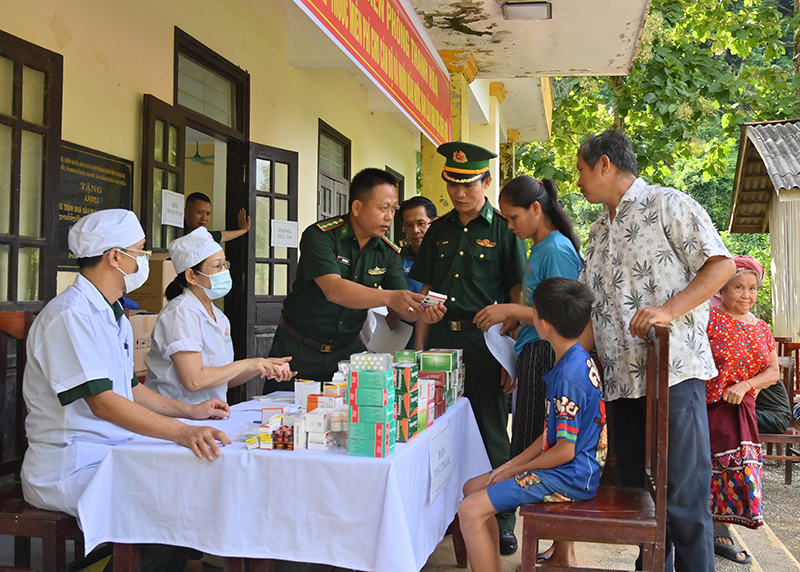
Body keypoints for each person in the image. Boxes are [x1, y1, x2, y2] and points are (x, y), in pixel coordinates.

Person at [21, 209, 232, 572]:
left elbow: (130, 390)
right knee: (172, 503)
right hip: (71, 463)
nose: (145, 260)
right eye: (139, 251)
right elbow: (103, 404)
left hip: (111, 451)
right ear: (114, 257)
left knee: (192, 485)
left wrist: (191, 412)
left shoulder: (112, 313)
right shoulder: (71, 316)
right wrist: (183, 433)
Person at [576, 130, 735, 572]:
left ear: (605, 164)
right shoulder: (597, 229)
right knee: (640, 503)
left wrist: (668, 309)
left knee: (683, 499)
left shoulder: (668, 204)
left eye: (582, 170)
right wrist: (570, 362)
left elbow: (721, 265)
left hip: (673, 377)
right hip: (620, 383)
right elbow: (595, 309)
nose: (578, 181)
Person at [410, 142, 527, 554]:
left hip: (485, 345)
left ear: (486, 182)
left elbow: (517, 293)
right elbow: (425, 291)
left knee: (492, 432)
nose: (459, 193)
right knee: (437, 431)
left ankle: (504, 519)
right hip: (442, 342)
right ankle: (447, 515)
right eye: (453, 184)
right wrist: (420, 350)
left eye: (468, 184)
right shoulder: (438, 230)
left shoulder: (503, 230)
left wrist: (508, 355)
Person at [458, 277, 605, 571]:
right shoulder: (574, 358)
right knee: (472, 488)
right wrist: (511, 465)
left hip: (570, 478)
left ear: (544, 324)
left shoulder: (568, 376)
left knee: (469, 510)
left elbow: (564, 451)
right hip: (569, 470)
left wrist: (520, 468)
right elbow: (551, 436)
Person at [266, 168, 445, 386]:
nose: (390, 217)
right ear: (357, 207)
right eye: (382, 209)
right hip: (296, 351)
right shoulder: (320, 237)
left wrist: (420, 312)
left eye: (393, 209)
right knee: (282, 416)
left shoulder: (389, 253)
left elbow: (401, 307)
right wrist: (389, 297)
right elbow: (334, 289)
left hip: (347, 355)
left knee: (353, 417)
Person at [474, 176, 583, 461]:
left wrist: (510, 310)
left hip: (546, 353)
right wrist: (516, 319)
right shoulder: (540, 247)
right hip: (531, 349)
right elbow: (538, 305)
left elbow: (562, 315)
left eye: (513, 217)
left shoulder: (557, 249)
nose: (510, 226)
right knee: (523, 437)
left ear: (536, 208)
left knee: (532, 441)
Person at [145, 227, 295, 404]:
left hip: (208, 415)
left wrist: (262, 366)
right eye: (217, 266)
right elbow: (195, 380)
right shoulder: (180, 313)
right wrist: (249, 364)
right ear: (191, 276)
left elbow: (226, 379)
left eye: (225, 264)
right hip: (176, 417)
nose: (224, 271)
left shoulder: (219, 316)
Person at [705, 256, 779, 564]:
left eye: (752, 289)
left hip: (742, 408)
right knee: (707, 471)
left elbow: (773, 372)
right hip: (709, 407)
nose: (746, 295)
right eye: (738, 287)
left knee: (737, 472)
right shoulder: (711, 319)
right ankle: (706, 529)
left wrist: (747, 385)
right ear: (723, 289)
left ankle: (720, 528)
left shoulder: (762, 328)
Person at [385, 196, 438, 348]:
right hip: (404, 337)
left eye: (421, 223)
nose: (415, 231)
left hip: (439, 336)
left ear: (433, 223)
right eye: (409, 225)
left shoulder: (445, 256)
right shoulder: (396, 258)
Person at [184, 191, 250, 243]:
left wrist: (244, 230)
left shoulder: (204, 235)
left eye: (208, 214)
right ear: (186, 212)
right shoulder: (178, 230)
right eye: (200, 212)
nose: (204, 218)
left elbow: (220, 236)